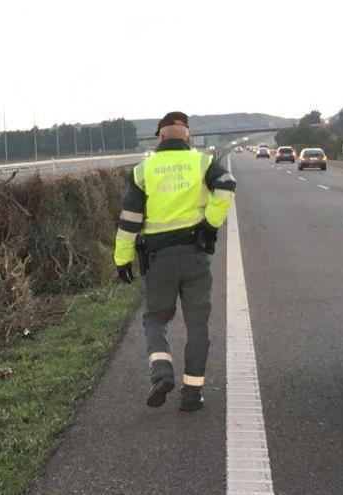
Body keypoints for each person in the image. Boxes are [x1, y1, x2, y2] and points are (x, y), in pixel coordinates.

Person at [113, 111, 236, 412]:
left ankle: (161, 373)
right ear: (188, 137)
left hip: (159, 260)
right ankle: (192, 395)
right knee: (197, 326)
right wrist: (209, 225)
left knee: (155, 319)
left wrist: (122, 259)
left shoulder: (143, 171)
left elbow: (130, 220)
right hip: (195, 256)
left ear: (160, 137)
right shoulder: (202, 162)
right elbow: (227, 185)